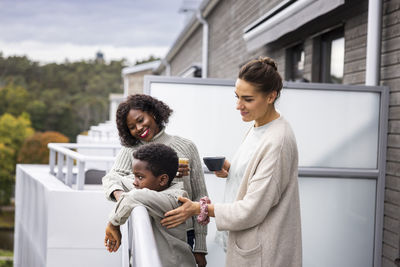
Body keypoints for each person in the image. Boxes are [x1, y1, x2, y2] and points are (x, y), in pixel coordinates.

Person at [161, 57, 302, 267]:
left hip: (265, 253)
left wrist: (198, 209)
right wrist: (233, 170)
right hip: (248, 242)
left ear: (271, 96)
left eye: (247, 99)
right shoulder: (259, 125)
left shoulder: (277, 141)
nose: (238, 106)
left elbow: (251, 209)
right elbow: (258, 175)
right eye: (237, 97)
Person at [102, 94, 208, 266]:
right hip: (147, 229)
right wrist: (122, 197)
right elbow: (111, 178)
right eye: (131, 127)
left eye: (140, 119)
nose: (138, 128)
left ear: (153, 113)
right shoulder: (131, 150)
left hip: (183, 231)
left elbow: (200, 196)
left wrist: (200, 247)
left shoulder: (186, 147)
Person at [104, 143, 196, 267]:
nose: (134, 183)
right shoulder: (150, 185)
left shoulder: (174, 198)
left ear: (163, 180)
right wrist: (121, 197)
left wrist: (114, 224)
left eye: (140, 177)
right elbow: (112, 177)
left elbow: (134, 196)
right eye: (135, 175)